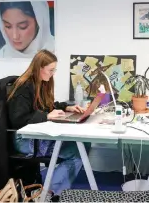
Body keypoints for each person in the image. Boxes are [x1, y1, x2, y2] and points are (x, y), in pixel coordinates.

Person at [7, 49, 89, 197]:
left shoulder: (41, 83)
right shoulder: (23, 87)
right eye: (50, 70)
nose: (53, 74)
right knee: (77, 153)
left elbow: (48, 106)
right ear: (39, 68)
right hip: (25, 140)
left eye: (54, 70)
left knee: (83, 145)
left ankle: (50, 189)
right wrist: (47, 116)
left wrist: (67, 107)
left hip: (36, 136)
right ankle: (47, 193)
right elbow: (18, 119)